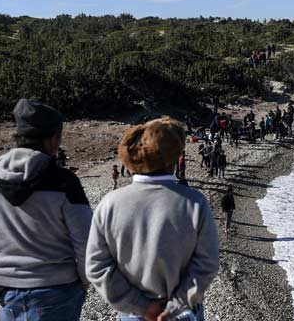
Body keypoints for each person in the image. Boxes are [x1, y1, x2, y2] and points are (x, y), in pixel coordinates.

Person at [86, 117, 219, 321]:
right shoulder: (194, 203)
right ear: (172, 159)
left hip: (133, 313)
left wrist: (141, 305)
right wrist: (176, 305)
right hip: (182, 312)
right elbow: (207, 263)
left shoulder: (109, 204)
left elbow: (97, 266)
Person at [0, 99, 92, 321]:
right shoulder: (64, 183)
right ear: (53, 138)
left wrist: (0, 268)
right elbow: (86, 241)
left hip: (7, 291)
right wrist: (84, 280)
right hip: (58, 289)